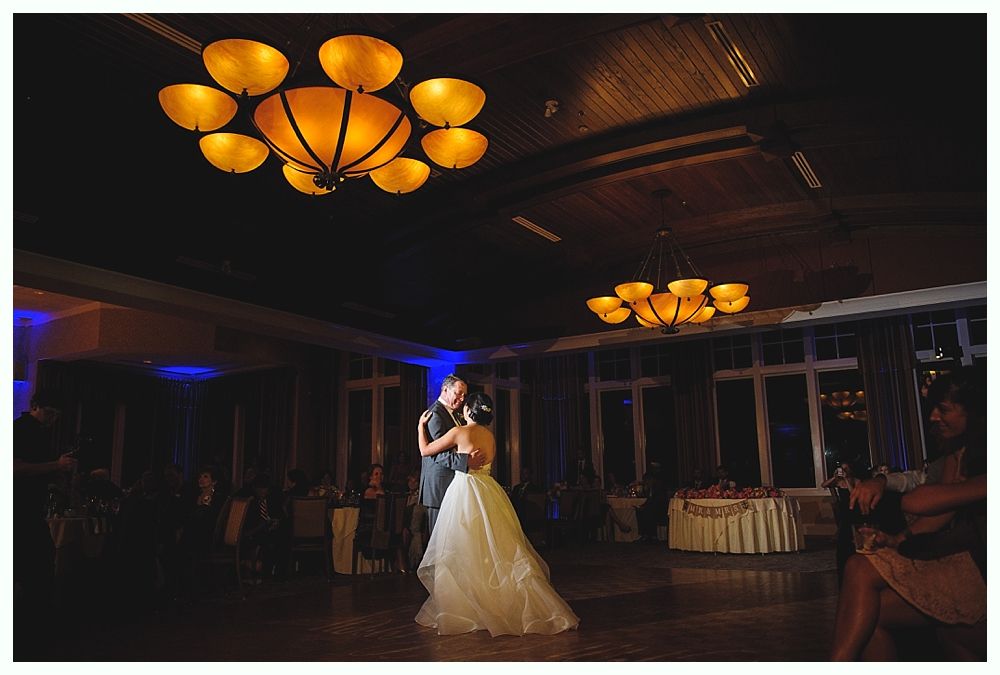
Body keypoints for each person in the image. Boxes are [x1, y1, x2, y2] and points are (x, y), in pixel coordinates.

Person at [830, 368, 986, 660]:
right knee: (865, 602)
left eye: (943, 409)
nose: (933, 417)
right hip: (965, 563)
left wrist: (887, 491)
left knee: (860, 572)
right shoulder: (960, 451)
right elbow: (940, 510)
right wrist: (897, 537)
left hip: (981, 572)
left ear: (975, 411)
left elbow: (922, 502)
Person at [415, 392, 579, 636]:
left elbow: (426, 450)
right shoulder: (490, 436)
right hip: (489, 490)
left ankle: (470, 608)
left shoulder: (460, 432)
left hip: (465, 491)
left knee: (464, 548)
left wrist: (420, 426)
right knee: (497, 548)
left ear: (469, 411)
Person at [13, 389, 77, 656]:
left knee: (34, 566)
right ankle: (30, 632)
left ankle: (30, 630)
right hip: (19, 509)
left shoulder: (34, 432)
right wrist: (55, 466)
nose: (52, 419)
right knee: (37, 566)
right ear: (36, 406)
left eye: (56, 415)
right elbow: (13, 466)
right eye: (49, 413)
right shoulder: (22, 430)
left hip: (27, 509)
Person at [418, 374, 482, 535]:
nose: (462, 399)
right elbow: (436, 454)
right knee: (439, 540)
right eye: (458, 393)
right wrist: (467, 461)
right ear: (445, 390)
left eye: (464, 395)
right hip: (439, 486)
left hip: (453, 484)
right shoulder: (435, 415)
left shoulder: (455, 415)